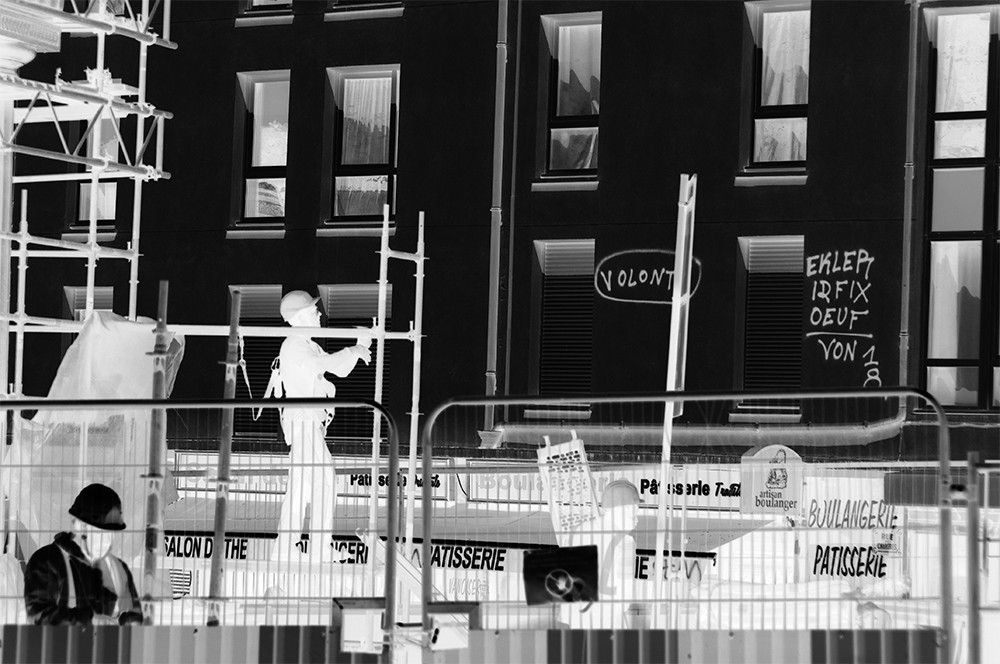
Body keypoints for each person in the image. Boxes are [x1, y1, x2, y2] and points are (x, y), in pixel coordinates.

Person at [271, 290, 371, 561]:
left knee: (300, 489)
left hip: (307, 424)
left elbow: (340, 370)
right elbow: (322, 364)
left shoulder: (307, 344)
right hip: (303, 422)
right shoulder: (294, 345)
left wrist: (360, 345)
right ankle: (318, 548)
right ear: (300, 316)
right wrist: (353, 349)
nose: (319, 313)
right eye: (313, 310)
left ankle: (284, 549)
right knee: (325, 480)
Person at [23, 484, 142, 626]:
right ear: (80, 527)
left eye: (112, 534)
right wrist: (89, 620)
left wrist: (130, 620)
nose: (108, 542)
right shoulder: (47, 561)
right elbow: (39, 616)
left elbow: (133, 613)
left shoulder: (117, 569)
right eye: (102, 533)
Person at [559, 479, 643, 629]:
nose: (637, 516)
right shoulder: (626, 543)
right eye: (634, 509)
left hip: (575, 617)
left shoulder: (579, 530)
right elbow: (625, 595)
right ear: (620, 509)